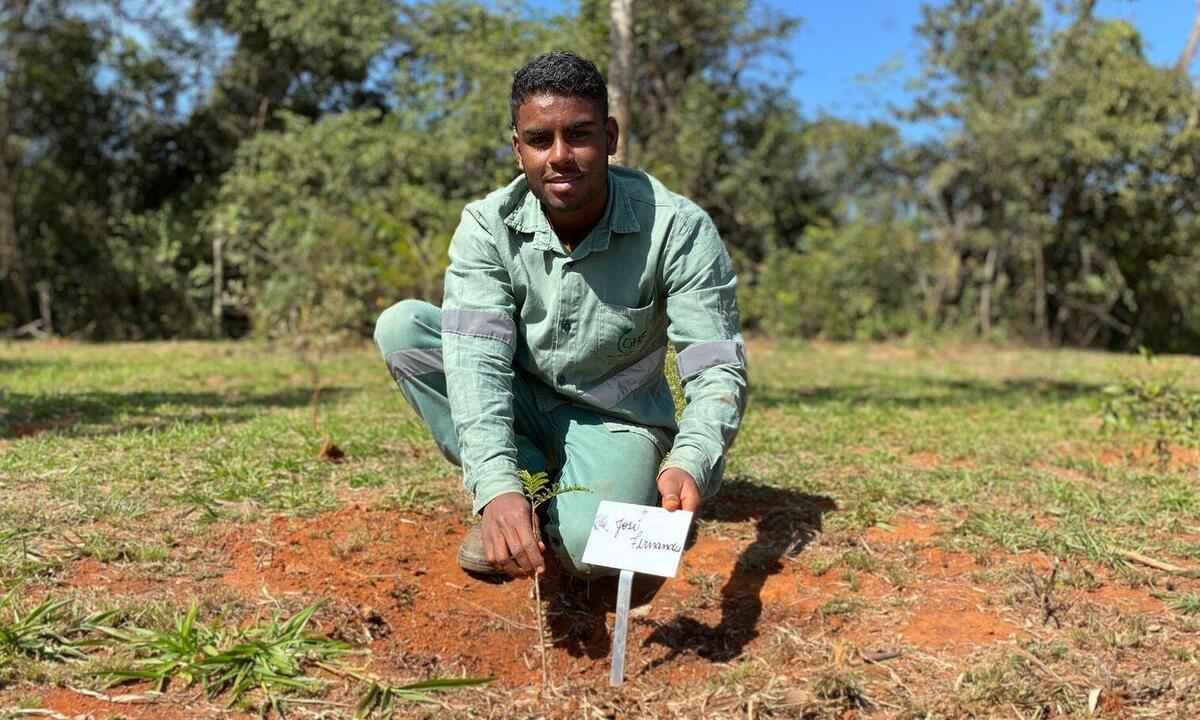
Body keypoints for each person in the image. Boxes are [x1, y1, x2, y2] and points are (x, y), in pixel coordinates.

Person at [373, 50, 747, 580]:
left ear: (610, 137)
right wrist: (497, 488)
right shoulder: (486, 226)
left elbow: (716, 367)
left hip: (616, 420)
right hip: (519, 392)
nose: (560, 156)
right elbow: (475, 366)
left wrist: (691, 459)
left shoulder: (678, 228)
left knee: (592, 553)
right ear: (517, 147)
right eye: (539, 140)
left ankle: (567, 512)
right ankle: (527, 485)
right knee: (403, 329)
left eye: (580, 134)